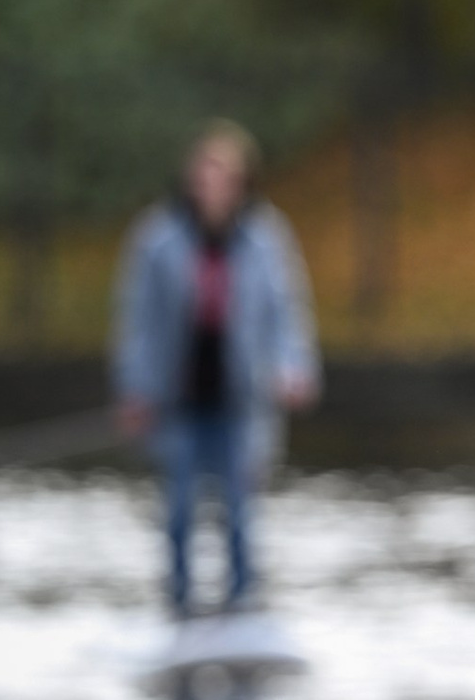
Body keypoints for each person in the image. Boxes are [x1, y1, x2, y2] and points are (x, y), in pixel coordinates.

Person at [112, 121, 320, 618]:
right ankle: (179, 603)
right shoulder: (158, 239)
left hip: (241, 400)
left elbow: (286, 312)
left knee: (240, 515)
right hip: (178, 400)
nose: (212, 186)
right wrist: (135, 390)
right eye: (204, 174)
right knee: (180, 511)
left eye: (223, 175)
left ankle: (242, 603)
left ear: (242, 181)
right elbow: (137, 320)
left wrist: (295, 368)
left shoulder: (266, 239)